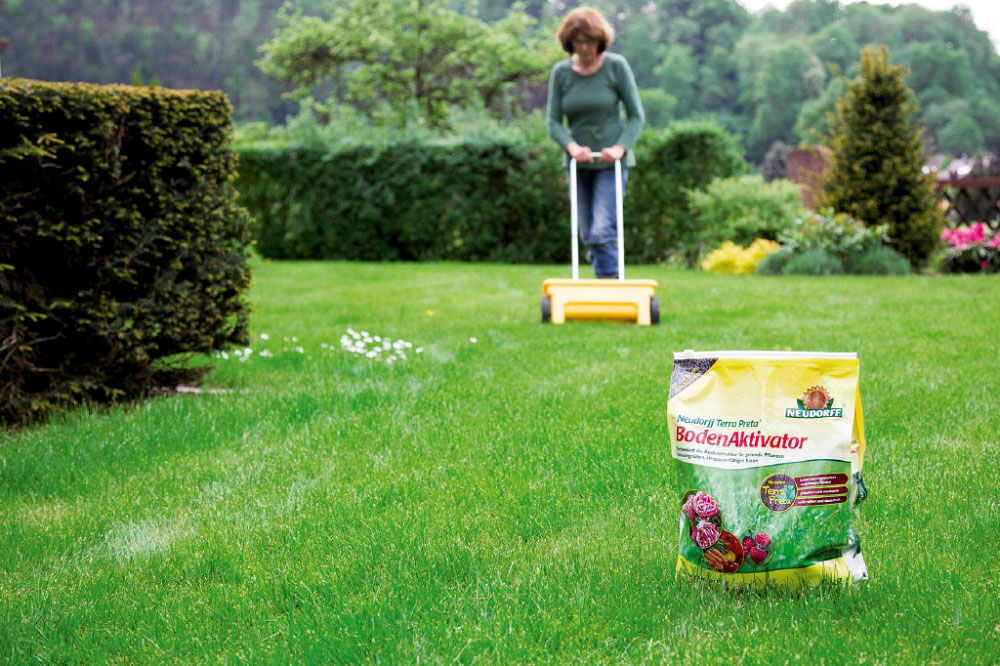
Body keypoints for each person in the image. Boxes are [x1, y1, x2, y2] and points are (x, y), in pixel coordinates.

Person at [546, 6, 644, 279]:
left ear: (600, 40)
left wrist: (620, 147)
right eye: (578, 42)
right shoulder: (562, 73)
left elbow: (636, 116)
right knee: (588, 233)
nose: (585, 47)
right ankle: (603, 288)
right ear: (570, 43)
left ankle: (610, 287)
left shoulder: (616, 67)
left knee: (603, 231)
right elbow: (553, 122)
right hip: (578, 165)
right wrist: (572, 147)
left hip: (611, 163)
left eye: (589, 41)